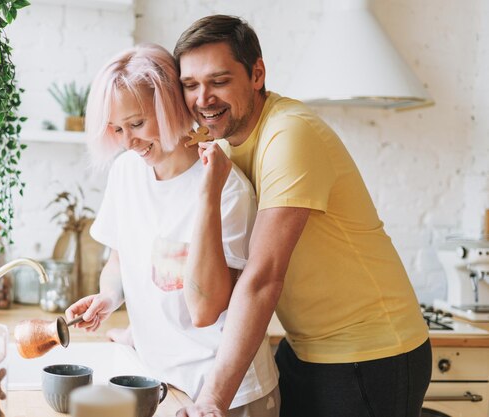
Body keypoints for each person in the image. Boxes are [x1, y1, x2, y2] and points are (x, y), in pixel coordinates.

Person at [173, 15, 432, 417]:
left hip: (373, 353)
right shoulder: (224, 145)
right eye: (190, 85)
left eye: (219, 81)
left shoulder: (289, 135)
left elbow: (262, 278)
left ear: (257, 73)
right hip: (307, 347)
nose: (203, 98)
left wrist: (212, 399)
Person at [65, 43, 280, 417]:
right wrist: (107, 297)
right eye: (116, 128)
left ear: (170, 106)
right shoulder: (126, 172)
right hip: (161, 383)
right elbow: (119, 259)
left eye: (136, 124)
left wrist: (207, 198)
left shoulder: (226, 189)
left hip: (225, 395)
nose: (127, 141)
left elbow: (208, 308)